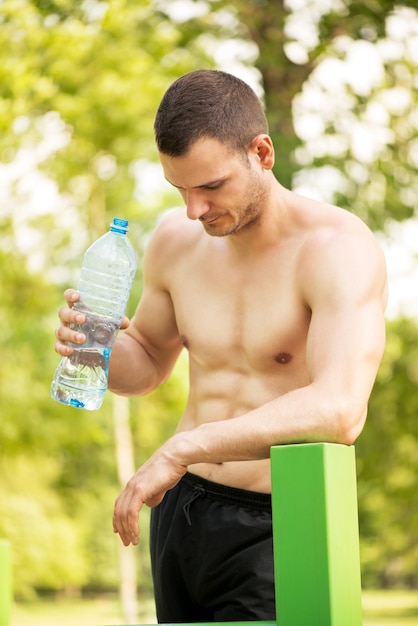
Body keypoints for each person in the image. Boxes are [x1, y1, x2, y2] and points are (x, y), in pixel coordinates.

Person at [55, 69, 388, 622]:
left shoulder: (337, 249)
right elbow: (147, 367)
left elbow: (340, 410)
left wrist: (184, 447)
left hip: (280, 519)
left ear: (262, 152)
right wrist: (93, 348)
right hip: (182, 512)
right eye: (180, 189)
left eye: (210, 186)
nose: (194, 210)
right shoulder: (174, 241)